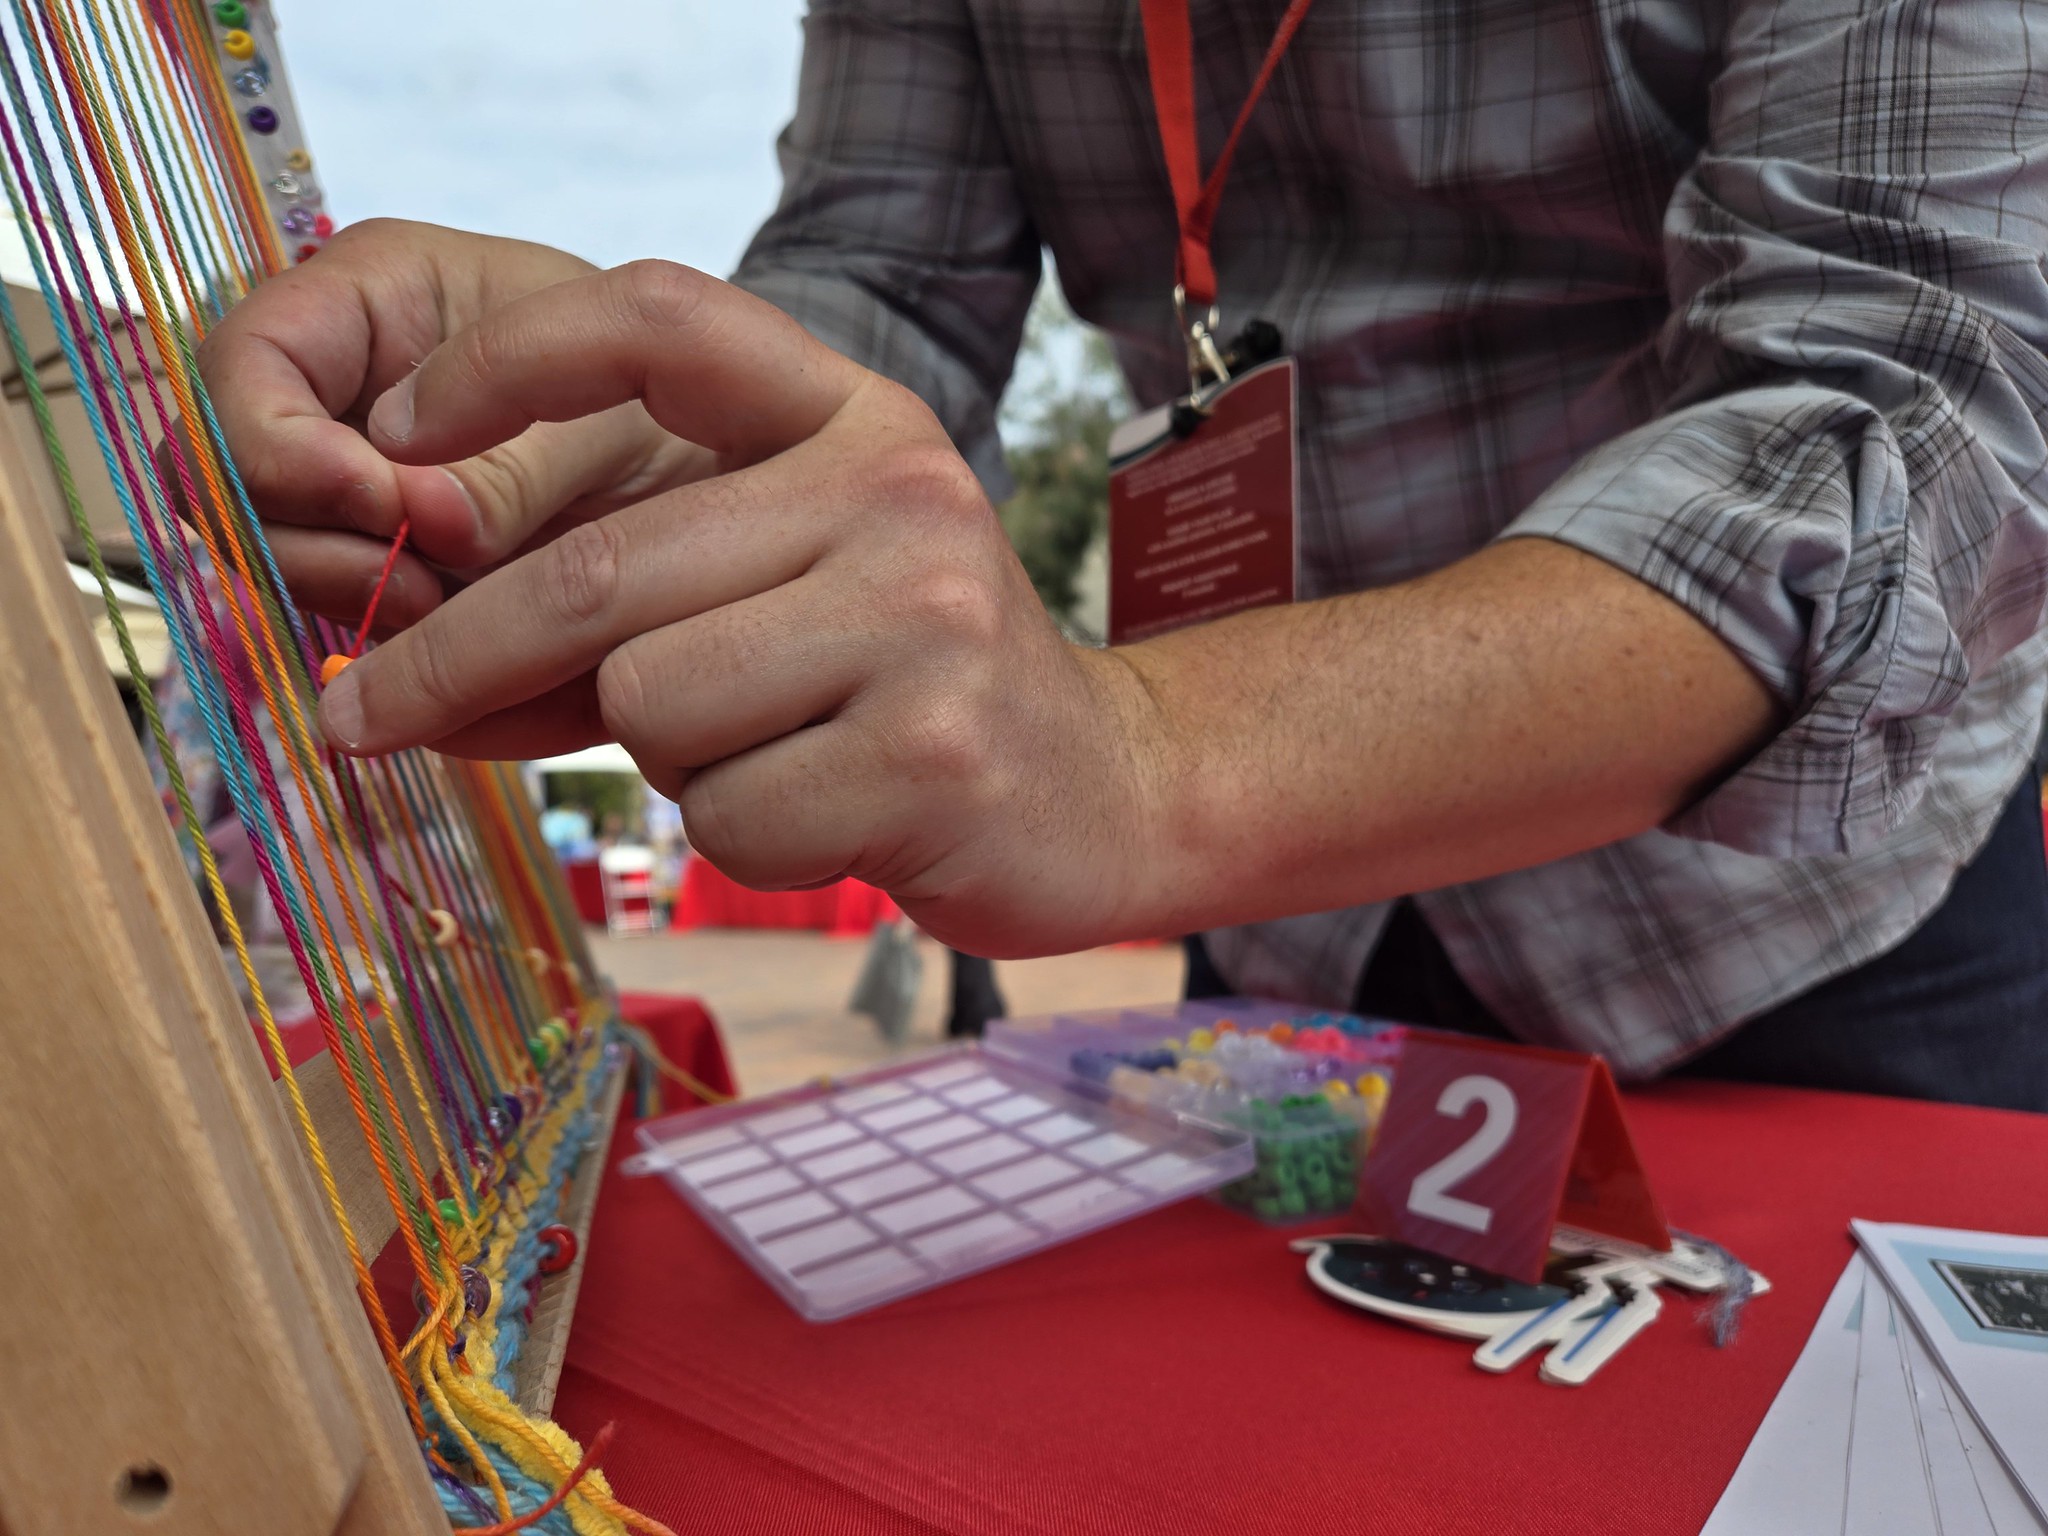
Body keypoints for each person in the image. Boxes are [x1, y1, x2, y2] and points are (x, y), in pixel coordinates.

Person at [194, 0, 2048, 1110]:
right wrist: (595, 437)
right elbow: (884, 290)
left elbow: (1927, 387)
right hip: (1281, 923)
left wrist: (1149, 756)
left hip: (1807, 916)